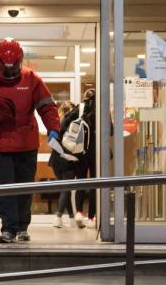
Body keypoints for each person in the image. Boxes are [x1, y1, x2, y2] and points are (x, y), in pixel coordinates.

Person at [0, 38, 60, 243]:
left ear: (20, 62)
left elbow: (46, 107)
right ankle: (8, 229)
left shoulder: (32, 80)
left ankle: (22, 227)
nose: (10, 73)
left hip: (26, 143)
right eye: (5, 69)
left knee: (25, 186)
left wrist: (53, 128)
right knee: (5, 187)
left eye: (14, 68)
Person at [48, 101, 80, 228]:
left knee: (64, 189)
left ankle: (71, 218)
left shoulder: (55, 124)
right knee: (66, 189)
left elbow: (50, 141)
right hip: (68, 159)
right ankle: (58, 217)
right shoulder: (73, 125)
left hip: (56, 160)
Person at [74, 88, 97, 229]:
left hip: (80, 152)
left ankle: (78, 213)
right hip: (95, 153)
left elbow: (64, 125)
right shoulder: (101, 111)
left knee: (81, 183)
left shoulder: (79, 109)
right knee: (95, 184)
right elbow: (111, 130)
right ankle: (91, 217)